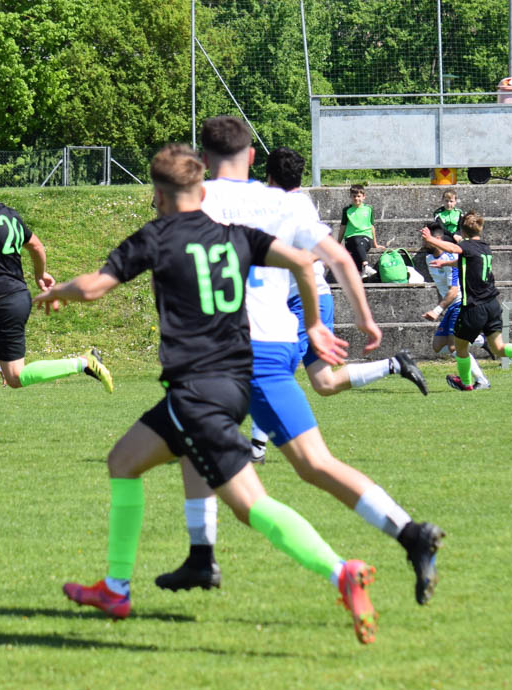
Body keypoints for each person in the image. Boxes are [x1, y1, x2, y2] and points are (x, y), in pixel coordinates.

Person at [36, 145, 380, 643]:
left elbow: (93, 287)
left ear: (159, 196)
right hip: (231, 384)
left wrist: (56, 292)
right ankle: (115, 588)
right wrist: (312, 324)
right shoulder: (236, 235)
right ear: (201, 192)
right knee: (122, 461)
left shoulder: (156, 237)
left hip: (197, 391)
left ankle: (341, 571)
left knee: (250, 505)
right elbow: (304, 264)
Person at [157, 117, 443, 609]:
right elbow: (340, 260)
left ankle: (202, 556)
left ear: (203, 159)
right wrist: (365, 319)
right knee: (308, 461)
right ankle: (409, 532)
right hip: (273, 345)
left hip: (225, 349)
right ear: (251, 157)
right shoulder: (286, 202)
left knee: (202, 442)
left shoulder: (199, 197)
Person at [247, 149, 427, 463]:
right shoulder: (293, 203)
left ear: (269, 176)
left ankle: (256, 449)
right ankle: (394, 364)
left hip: (305, 301)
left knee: (274, 374)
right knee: (324, 383)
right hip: (303, 298)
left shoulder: (292, 207)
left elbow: (323, 252)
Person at [0, 167, 113, 443]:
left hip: (1, 300)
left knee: (14, 376)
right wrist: (40, 274)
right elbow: (36, 245)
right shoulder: (10, 214)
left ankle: (84, 362)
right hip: (11, 297)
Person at [419, 212, 512, 391]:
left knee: (459, 347)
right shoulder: (485, 247)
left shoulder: (465, 246)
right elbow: (468, 261)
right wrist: (445, 264)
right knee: (499, 347)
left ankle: (466, 383)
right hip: (492, 304)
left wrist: (430, 239)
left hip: (474, 307)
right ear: (480, 229)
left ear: (462, 231)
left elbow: (453, 249)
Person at [421, 238, 489, 388]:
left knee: (454, 347)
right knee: (438, 346)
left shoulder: (450, 258)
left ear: (437, 240)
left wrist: (437, 310)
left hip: (459, 303)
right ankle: (481, 340)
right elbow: (440, 287)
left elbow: (453, 290)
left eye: (426, 240)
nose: (423, 243)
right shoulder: (429, 259)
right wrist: (442, 306)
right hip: (449, 306)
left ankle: (481, 380)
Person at [339, 185, 381, 278]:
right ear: (350, 196)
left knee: (358, 243)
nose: (356, 198)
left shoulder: (369, 209)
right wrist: (338, 243)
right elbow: (343, 227)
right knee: (356, 241)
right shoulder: (347, 210)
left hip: (366, 237)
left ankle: (361, 270)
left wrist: (375, 244)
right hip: (350, 238)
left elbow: (372, 226)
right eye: (354, 196)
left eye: (359, 196)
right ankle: (365, 267)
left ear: (363, 196)